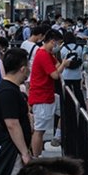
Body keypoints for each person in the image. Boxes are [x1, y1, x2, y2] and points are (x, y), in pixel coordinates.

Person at [27, 29, 66, 157]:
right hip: (41, 97)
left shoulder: (47, 54)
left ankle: (58, 135)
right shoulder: (43, 54)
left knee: (65, 111)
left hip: (48, 95)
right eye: (58, 44)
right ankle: (36, 158)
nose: (58, 47)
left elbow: (56, 65)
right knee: (39, 131)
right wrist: (64, 64)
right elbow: (55, 74)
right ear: (52, 41)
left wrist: (61, 64)